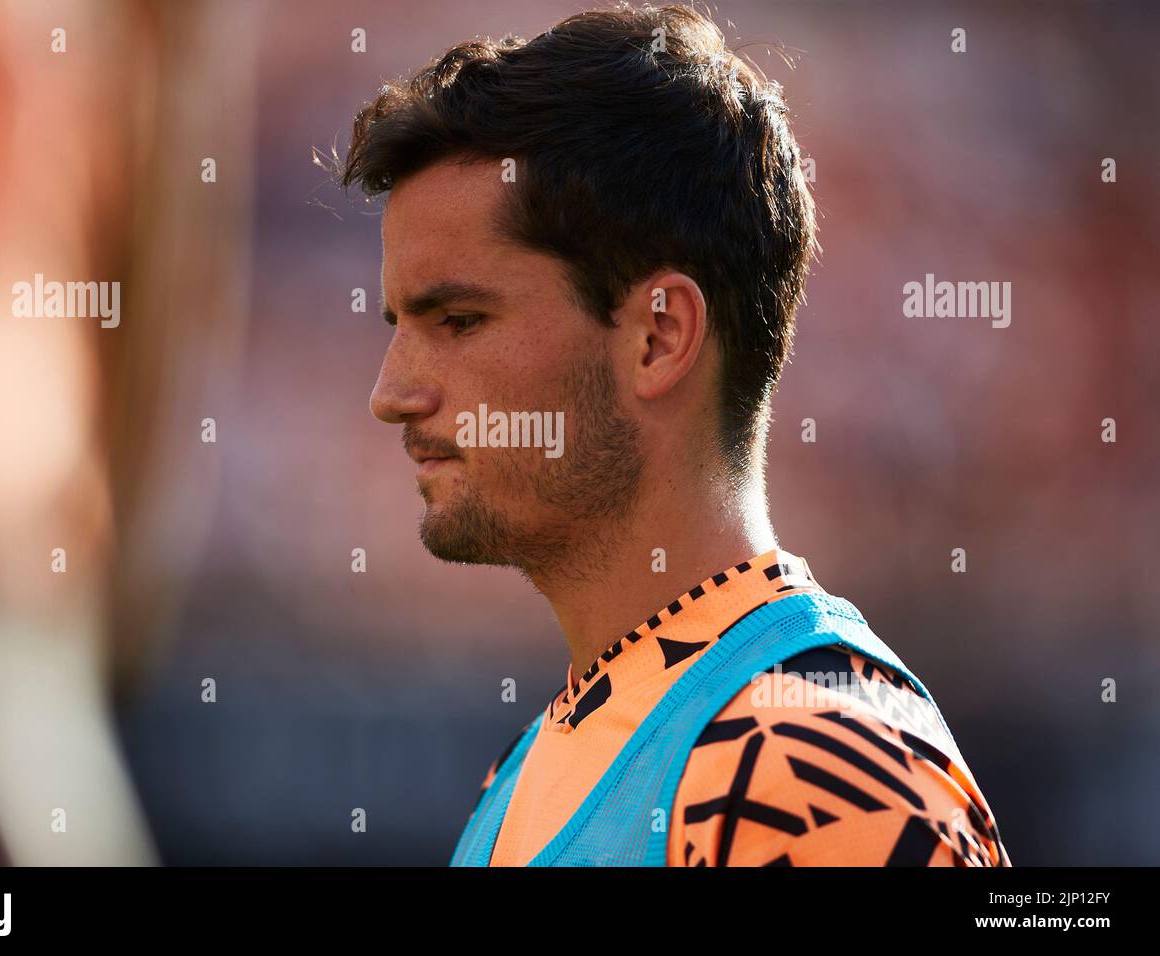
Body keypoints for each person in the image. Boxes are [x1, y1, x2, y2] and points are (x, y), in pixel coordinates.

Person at [335, 3, 1010, 866]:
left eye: (459, 319)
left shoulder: (813, 769)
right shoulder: (529, 769)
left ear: (658, 335)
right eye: (398, 324)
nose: (390, 395)